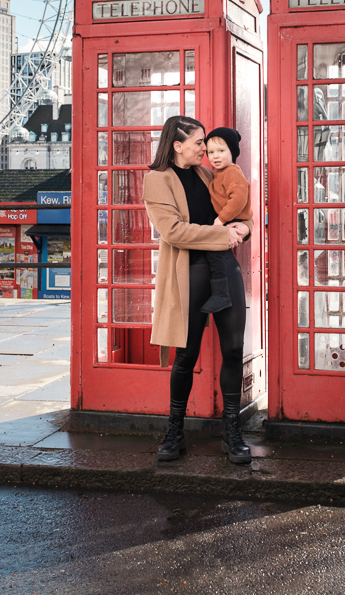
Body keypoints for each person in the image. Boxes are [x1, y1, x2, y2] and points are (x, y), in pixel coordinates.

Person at [143, 115, 253, 465]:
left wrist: (244, 231)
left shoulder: (210, 174)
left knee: (233, 350)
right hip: (188, 273)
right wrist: (225, 235)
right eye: (198, 142)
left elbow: (242, 213)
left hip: (225, 270)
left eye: (206, 143)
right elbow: (173, 231)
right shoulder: (156, 180)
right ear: (177, 145)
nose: (205, 148)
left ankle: (231, 431)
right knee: (186, 356)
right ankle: (174, 431)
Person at [200, 126, 252, 314]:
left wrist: (220, 220)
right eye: (211, 152)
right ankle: (220, 294)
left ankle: (221, 295)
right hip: (230, 220)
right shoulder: (218, 173)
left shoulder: (231, 172)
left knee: (216, 256)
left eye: (221, 151)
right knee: (215, 257)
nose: (215, 156)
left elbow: (238, 199)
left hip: (232, 220)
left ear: (233, 152)